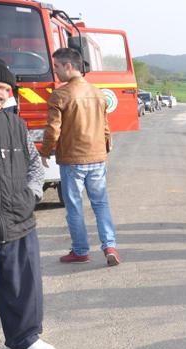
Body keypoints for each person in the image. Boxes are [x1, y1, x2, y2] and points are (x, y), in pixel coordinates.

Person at [0, 57, 56, 349]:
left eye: (6, 88)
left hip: (19, 222)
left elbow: (35, 165)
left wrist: (31, 196)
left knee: (22, 287)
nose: (1, 94)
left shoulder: (17, 125)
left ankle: (25, 337)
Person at [41, 48, 121, 266]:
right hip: (97, 157)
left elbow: (52, 130)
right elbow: (105, 126)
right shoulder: (98, 93)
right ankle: (110, 246)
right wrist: (106, 146)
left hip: (72, 160)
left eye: (57, 66)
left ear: (69, 66)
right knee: (101, 204)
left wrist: (45, 152)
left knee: (74, 207)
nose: (55, 72)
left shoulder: (60, 95)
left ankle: (80, 251)